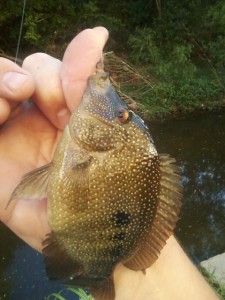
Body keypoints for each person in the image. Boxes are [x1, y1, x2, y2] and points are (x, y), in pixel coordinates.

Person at [0, 27, 219, 300]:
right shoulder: (85, 149)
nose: (118, 109)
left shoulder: (85, 152)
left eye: (121, 115)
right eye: (123, 113)